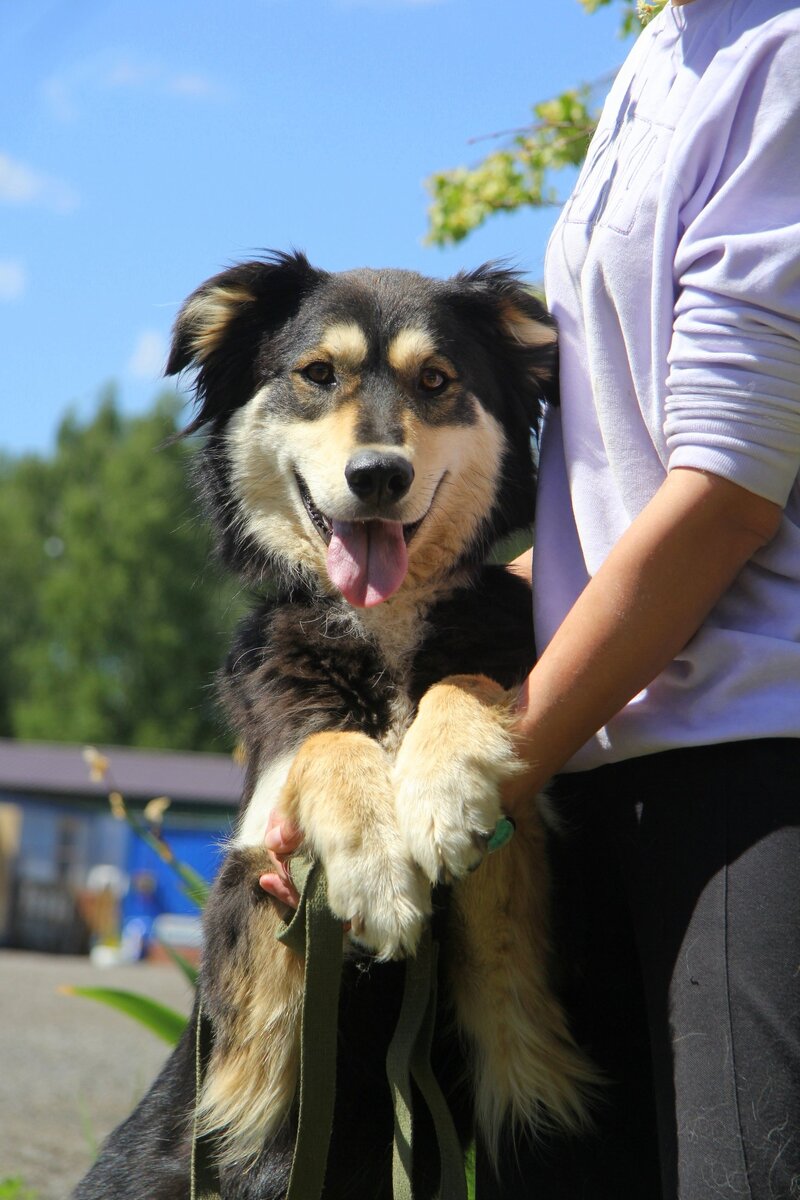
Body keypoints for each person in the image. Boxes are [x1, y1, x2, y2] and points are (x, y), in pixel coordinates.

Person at [263, 1, 800, 1194]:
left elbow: (723, 496)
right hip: (601, 759)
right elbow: (609, 507)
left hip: (750, 760)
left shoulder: (780, 54)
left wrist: (471, 780)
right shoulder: (666, 47)